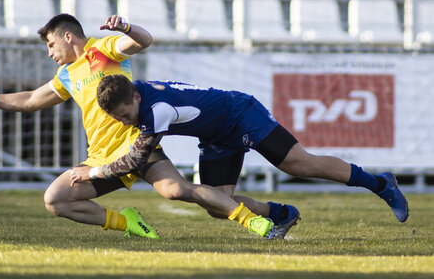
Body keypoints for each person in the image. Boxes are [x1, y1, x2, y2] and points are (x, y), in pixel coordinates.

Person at [0, 14, 283, 240]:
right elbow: (31, 100)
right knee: (56, 200)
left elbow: (143, 40)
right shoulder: (66, 75)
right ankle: (128, 223)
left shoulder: (102, 49)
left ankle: (250, 220)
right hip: (100, 158)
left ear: (68, 36)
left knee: (177, 191)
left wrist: (125, 27)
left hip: (137, 144)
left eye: (51, 44)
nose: (50, 52)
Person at [70, 75, 410, 230]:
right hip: (217, 135)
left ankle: (381, 184)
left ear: (135, 100)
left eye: (125, 116)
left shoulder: (154, 109)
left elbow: (136, 160)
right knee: (218, 204)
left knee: (300, 165)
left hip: (239, 114)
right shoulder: (137, 91)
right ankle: (280, 214)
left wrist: (94, 172)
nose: (125, 122)